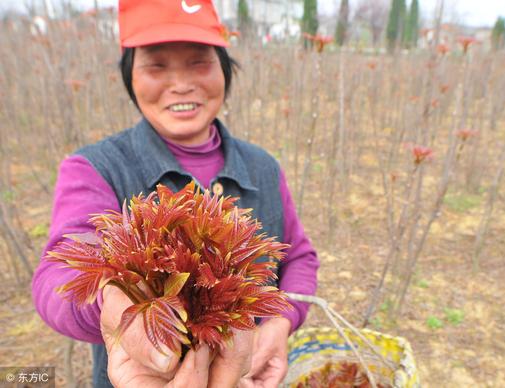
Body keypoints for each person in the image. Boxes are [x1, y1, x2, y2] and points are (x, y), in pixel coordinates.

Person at [31, 1, 319, 387]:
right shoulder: (95, 168)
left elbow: (298, 255)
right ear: (129, 76)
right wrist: (116, 304)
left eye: (200, 61)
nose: (181, 83)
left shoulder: (262, 166)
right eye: (157, 65)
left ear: (225, 69)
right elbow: (59, 272)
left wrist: (281, 321)